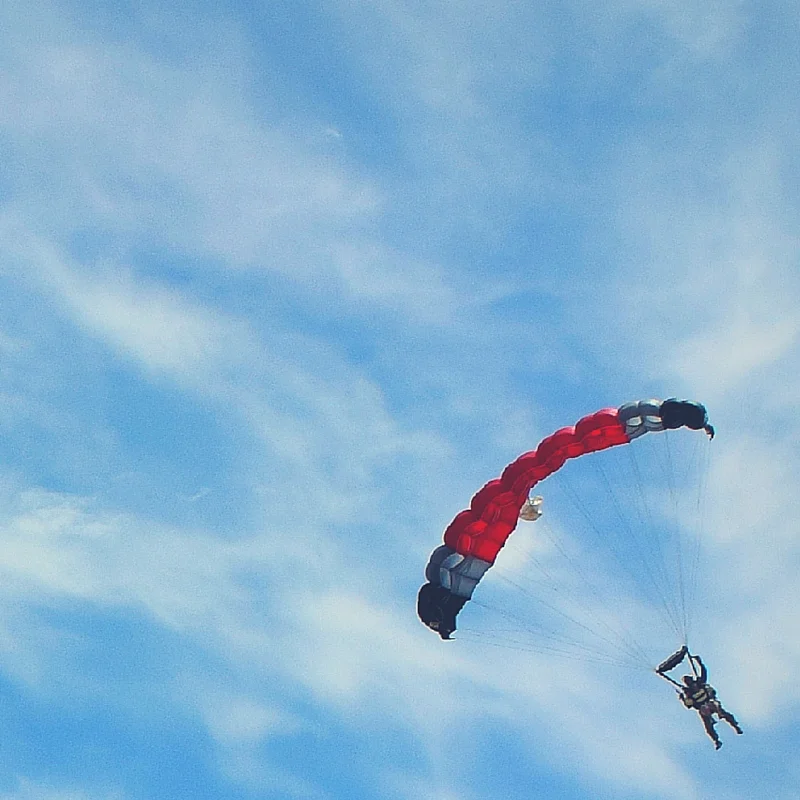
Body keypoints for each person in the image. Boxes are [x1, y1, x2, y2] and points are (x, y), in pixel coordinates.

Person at [678, 655, 742, 749]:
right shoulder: (688, 693)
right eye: (687, 683)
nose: (690, 684)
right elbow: (689, 705)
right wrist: (682, 698)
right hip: (702, 708)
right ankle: (716, 740)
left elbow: (704, 672)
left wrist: (700, 663)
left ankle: (735, 726)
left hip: (710, 702)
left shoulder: (700, 682)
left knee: (721, 711)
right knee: (708, 727)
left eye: (689, 681)